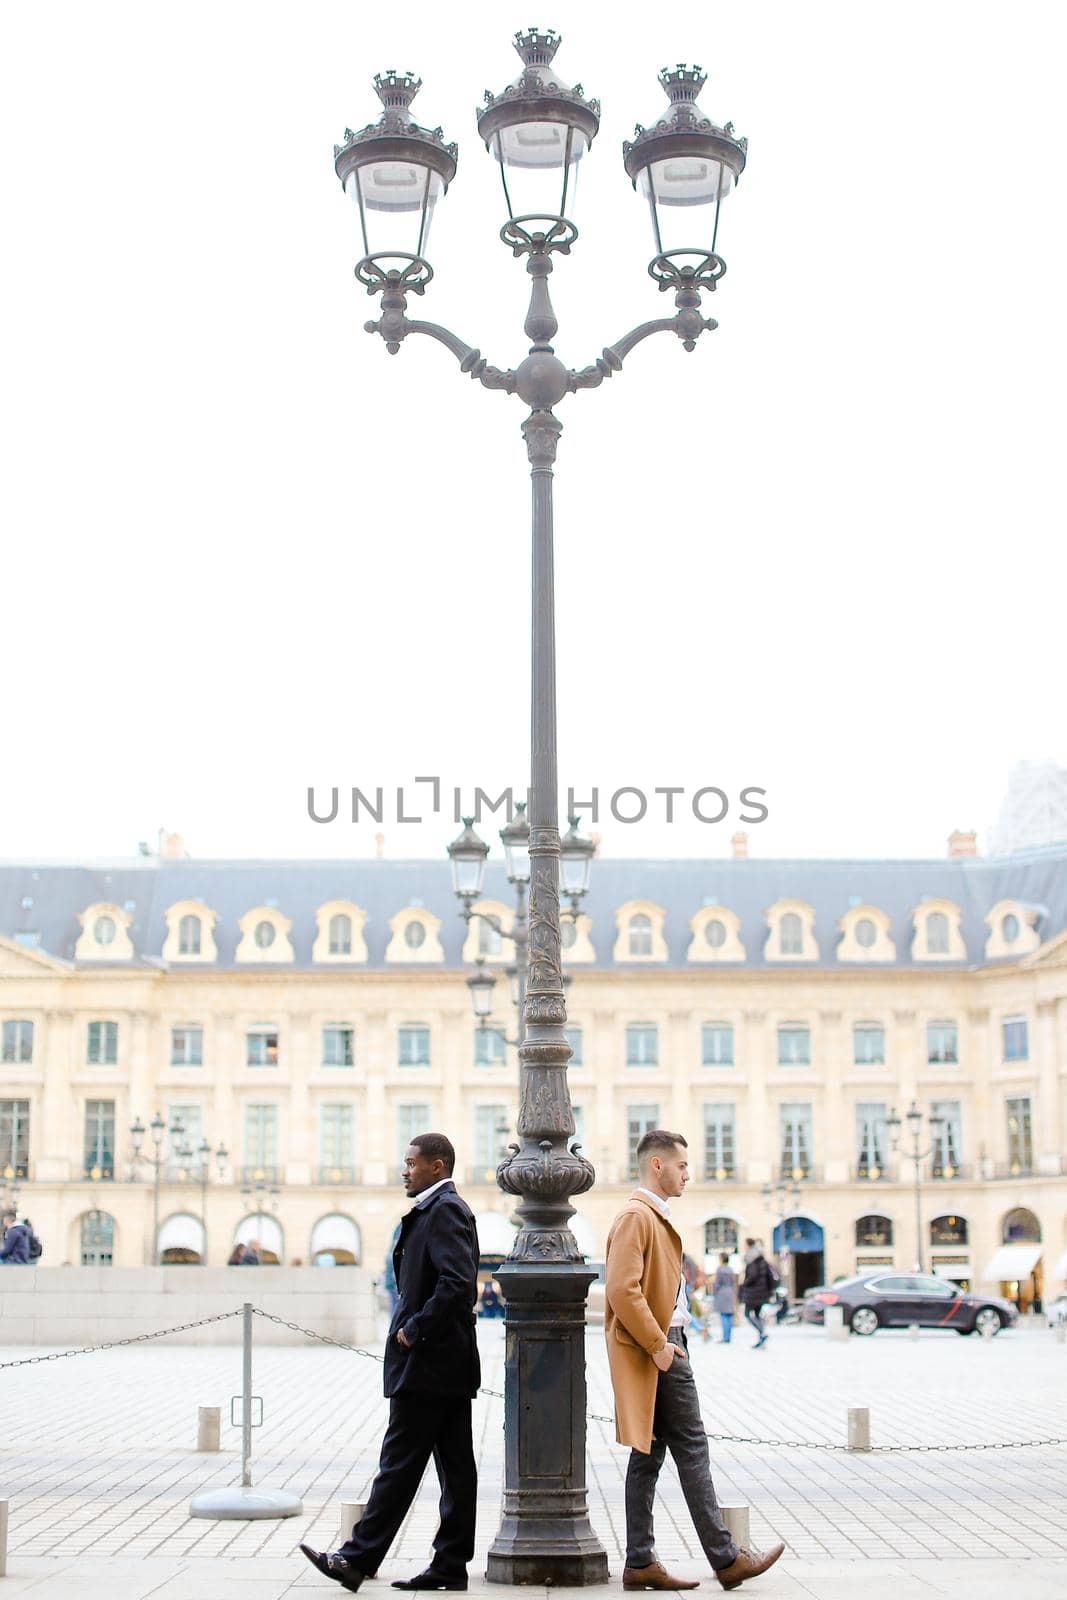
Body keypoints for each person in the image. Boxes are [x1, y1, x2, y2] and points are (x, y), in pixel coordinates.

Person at [604, 1129, 785, 1592]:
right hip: (662, 1347)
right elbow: (622, 1290)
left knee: (648, 1454)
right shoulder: (636, 1217)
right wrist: (659, 1347)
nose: (689, 1174)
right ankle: (726, 1559)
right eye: (682, 1166)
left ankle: (641, 1561)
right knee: (692, 1447)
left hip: (668, 1342)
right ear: (658, 1166)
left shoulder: (653, 1217)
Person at [301, 1132, 479, 1594]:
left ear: (437, 1167)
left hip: (429, 1364)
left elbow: (458, 1282)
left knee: (399, 1464)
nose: (404, 1170)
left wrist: (414, 1329)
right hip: (442, 1364)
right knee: (456, 1468)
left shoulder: (445, 1211)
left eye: (411, 1163)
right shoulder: (435, 1211)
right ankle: (449, 1565)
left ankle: (356, 1559)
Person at [740, 1239, 778, 1349]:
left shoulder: (752, 1259)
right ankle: (761, 1339)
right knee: (757, 1315)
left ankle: (763, 1332)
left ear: (749, 1246)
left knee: (748, 1314)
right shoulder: (762, 1260)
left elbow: (752, 1276)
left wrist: (744, 1284)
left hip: (753, 1293)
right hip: (762, 1293)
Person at [712, 1253, 736, 1344]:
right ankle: (728, 1337)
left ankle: (725, 1338)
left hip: (722, 1292)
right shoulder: (731, 1269)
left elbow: (717, 1283)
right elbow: (734, 1282)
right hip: (730, 1292)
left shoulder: (720, 1269)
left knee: (723, 1316)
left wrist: (714, 1293)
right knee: (729, 1315)